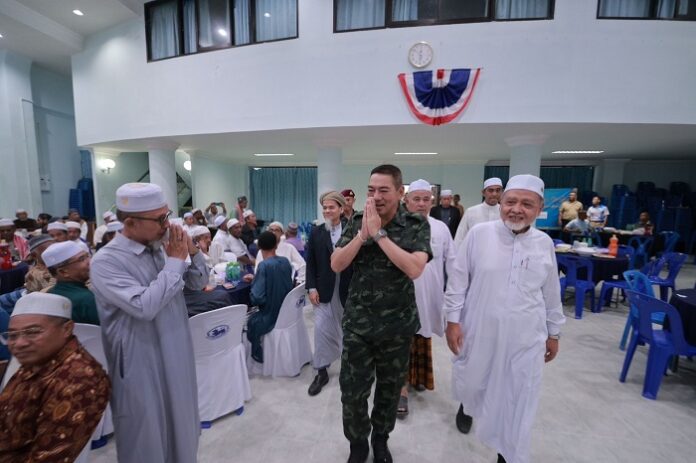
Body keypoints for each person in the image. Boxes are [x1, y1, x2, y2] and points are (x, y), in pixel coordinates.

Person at [443, 174, 566, 463]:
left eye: (527, 204)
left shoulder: (544, 243)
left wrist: (554, 332)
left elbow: (551, 292)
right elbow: (458, 281)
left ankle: (507, 454)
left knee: (519, 398)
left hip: (526, 336)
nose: (516, 209)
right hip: (480, 329)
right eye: (511, 202)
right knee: (474, 384)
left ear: (539, 208)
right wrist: (452, 320)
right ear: (501, 203)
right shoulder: (479, 234)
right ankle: (467, 407)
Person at [90, 182, 208, 462]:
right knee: (147, 441)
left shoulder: (162, 248)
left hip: (176, 354)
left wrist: (192, 252)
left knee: (183, 432)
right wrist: (175, 261)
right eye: (160, 219)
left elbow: (199, 283)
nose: (167, 225)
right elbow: (144, 307)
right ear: (130, 222)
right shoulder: (106, 262)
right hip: (141, 364)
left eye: (167, 215)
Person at [331, 164, 431, 463]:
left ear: (400, 193)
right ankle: (358, 444)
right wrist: (362, 236)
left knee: (389, 392)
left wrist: (380, 235)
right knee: (352, 391)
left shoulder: (415, 224)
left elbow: (414, 268)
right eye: (371, 190)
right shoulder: (357, 221)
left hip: (397, 327)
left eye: (384, 190)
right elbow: (337, 264)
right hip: (359, 325)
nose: (376, 196)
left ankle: (381, 440)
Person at [0, 292, 110, 462]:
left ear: (67, 329)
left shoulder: (79, 381)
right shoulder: (39, 357)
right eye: (13, 335)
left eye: (33, 332)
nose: (19, 343)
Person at [398, 179, 456, 418]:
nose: (421, 204)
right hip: (401, 297)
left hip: (430, 295)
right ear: (406, 201)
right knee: (400, 342)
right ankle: (401, 389)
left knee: (422, 336)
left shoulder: (441, 229)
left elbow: (453, 264)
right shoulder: (397, 226)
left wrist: (453, 297)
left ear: (432, 201)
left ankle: (417, 378)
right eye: (416, 199)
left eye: (426, 199)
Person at [306, 191, 353, 397]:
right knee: (321, 329)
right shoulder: (317, 232)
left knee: (348, 331)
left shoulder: (351, 229)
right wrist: (311, 288)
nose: (327, 210)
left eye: (331, 207)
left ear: (341, 209)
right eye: (324, 207)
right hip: (323, 289)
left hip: (347, 288)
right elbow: (311, 262)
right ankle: (321, 371)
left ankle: (349, 370)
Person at [246, 231, 293, 363]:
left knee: (249, 321)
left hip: (270, 315)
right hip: (286, 312)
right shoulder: (285, 262)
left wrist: (255, 283)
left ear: (259, 247)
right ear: (276, 246)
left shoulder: (264, 266)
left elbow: (257, 298)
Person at [43, 241, 100, 325]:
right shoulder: (87, 299)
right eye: (82, 259)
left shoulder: (49, 294)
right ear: (63, 272)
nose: (90, 261)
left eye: (87, 256)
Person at [454, 177, 503, 248]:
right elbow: (460, 237)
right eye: (491, 190)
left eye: (498, 190)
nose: (494, 194)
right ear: (483, 193)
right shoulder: (471, 212)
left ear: (502, 192)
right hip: (474, 252)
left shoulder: (506, 213)